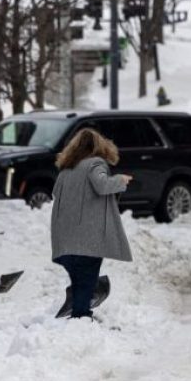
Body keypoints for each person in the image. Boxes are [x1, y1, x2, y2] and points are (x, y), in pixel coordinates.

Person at [50, 128, 133, 319]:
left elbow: (56, 194)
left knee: (82, 279)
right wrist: (120, 180)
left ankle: (80, 300)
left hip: (64, 241)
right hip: (87, 241)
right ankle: (81, 317)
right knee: (86, 279)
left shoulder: (66, 170)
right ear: (101, 147)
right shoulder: (95, 164)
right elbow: (102, 185)